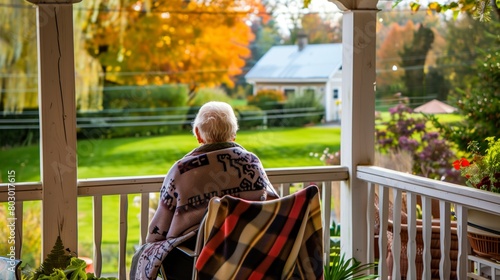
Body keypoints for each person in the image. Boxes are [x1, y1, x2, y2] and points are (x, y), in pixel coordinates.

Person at [130, 101, 279, 280]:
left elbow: (157, 232)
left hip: (194, 262)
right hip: (245, 258)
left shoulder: (181, 170)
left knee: (147, 252)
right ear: (234, 134)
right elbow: (273, 205)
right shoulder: (252, 163)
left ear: (198, 134)